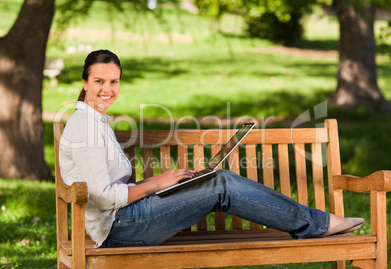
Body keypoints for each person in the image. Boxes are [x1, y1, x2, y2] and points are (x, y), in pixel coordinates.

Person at [59, 49, 364, 248]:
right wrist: (155, 183)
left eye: (114, 81)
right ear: (85, 82)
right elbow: (101, 195)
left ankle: (313, 222)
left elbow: (109, 187)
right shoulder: (85, 126)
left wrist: (159, 184)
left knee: (214, 181)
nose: (107, 89)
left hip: (125, 218)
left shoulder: (95, 121)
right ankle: (316, 224)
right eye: (99, 81)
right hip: (120, 228)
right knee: (220, 185)